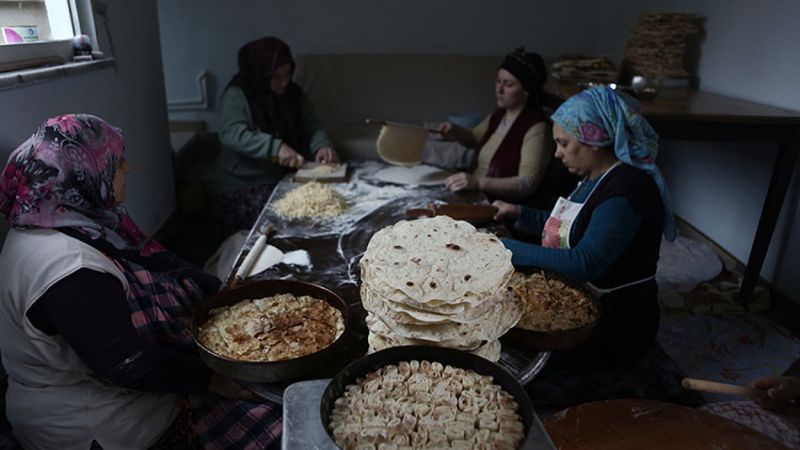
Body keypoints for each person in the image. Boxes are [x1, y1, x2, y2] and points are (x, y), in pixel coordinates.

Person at [0, 114, 281, 449]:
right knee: (270, 421)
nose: (128, 169)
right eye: (118, 162)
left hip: (96, 393)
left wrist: (220, 293)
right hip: (98, 425)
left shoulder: (58, 219)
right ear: (84, 175)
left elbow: (160, 263)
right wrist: (216, 379)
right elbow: (129, 364)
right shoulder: (68, 266)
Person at [494, 86, 677, 367]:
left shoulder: (626, 190)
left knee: (510, 358)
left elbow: (583, 262)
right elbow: (570, 226)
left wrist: (502, 249)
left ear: (593, 139)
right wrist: (519, 213)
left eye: (564, 143)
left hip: (616, 322)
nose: (557, 153)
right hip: (584, 302)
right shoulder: (594, 177)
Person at [213, 36, 339, 240]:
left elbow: (312, 125)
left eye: (288, 74)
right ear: (261, 75)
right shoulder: (238, 94)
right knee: (288, 222)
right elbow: (231, 132)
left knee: (322, 210)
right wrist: (275, 148)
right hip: (243, 185)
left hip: (281, 179)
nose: (284, 82)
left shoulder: (293, 94)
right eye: (276, 76)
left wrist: (321, 146)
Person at [436, 47, 574, 207]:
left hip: (503, 208)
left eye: (508, 84)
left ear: (526, 91)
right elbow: (475, 138)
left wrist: (479, 183)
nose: (499, 89)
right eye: (498, 81)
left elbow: (526, 183)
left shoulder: (537, 128)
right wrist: (455, 131)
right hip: (479, 197)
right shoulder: (499, 115)